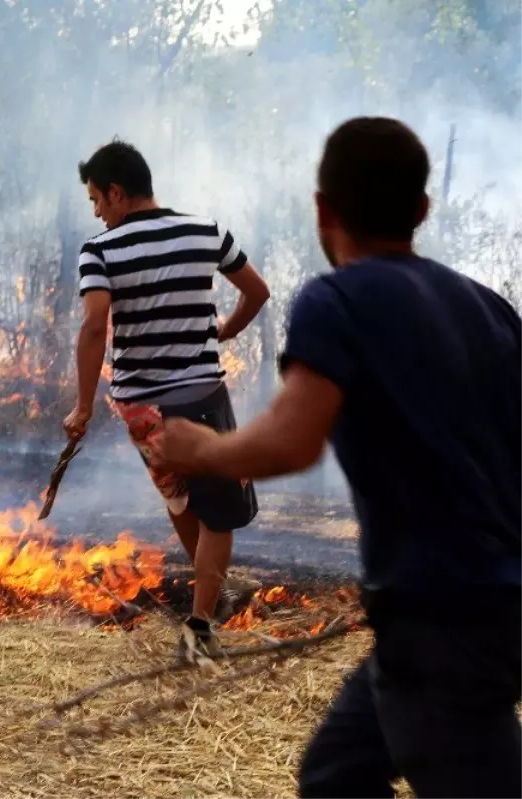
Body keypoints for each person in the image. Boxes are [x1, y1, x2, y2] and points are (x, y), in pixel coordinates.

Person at [151, 116, 522, 796]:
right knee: (336, 772)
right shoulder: (488, 306)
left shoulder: (339, 297)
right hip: (480, 610)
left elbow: (293, 440)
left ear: (323, 209)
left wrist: (205, 447)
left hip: (444, 615)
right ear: (420, 210)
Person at [63, 139, 270, 658]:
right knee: (218, 512)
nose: (95, 212)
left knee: (180, 496)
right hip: (201, 395)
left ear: (116, 192)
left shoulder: (101, 250)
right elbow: (258, 292)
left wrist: (84, 405)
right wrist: (224, 332)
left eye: (95, 199)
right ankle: (202, 626)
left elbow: (94, 328)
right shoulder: (206, 230)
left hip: (140, 409)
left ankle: (209, 601)